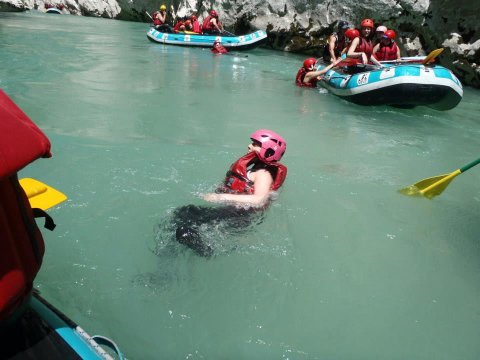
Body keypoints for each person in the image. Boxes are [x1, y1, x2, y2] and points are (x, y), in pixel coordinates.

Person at [170, 130, 288, 256]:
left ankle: (207, 250)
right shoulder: (253, 170)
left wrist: (220, 197)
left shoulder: (264, 174)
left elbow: (259, 199)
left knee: (184, 231)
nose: (249, 146)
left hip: (240, 217)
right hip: (232, 211)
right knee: (185, 212)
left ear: (268, 151)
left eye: (255, 144)